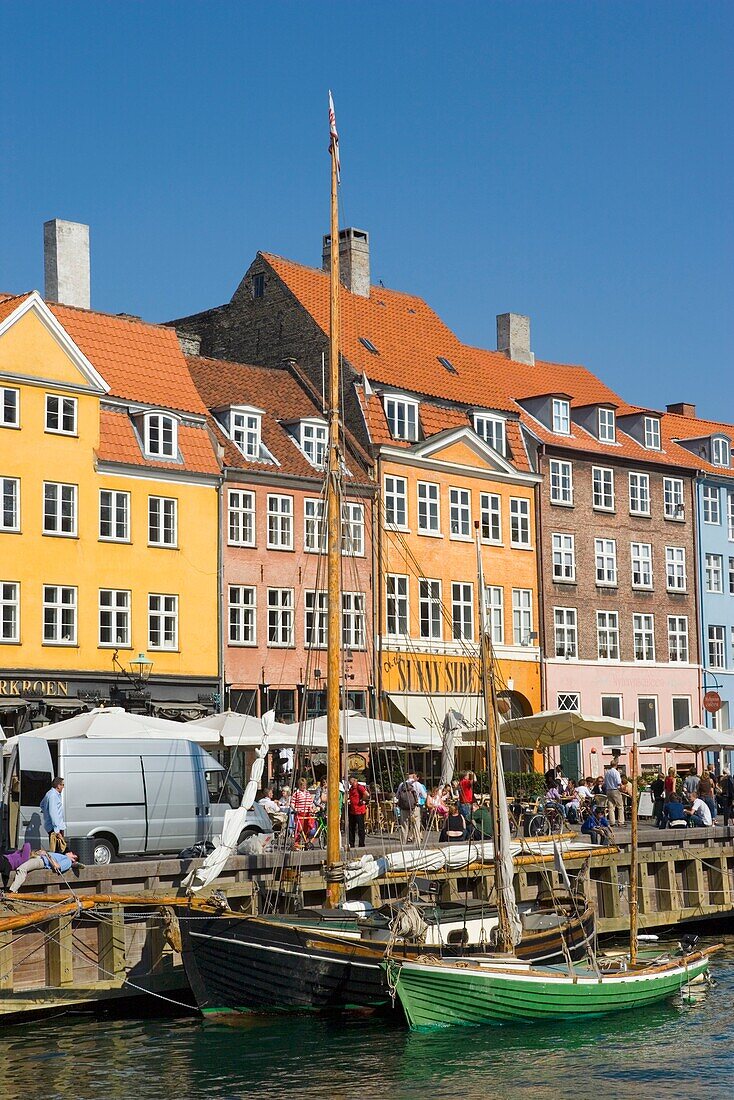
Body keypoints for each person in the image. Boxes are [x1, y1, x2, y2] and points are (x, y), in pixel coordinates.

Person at [9, 848, 79, 892]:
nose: (70, 852)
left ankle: (13, 891)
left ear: (74, 859)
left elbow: (57, 866)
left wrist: (46, 854)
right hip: (38, 857)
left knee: (22, 869)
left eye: (72, 853)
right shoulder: (64, 857)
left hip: (42, 861)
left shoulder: (68, 861)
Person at [40, 777, 66, 852]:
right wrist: (56, 830)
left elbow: (41, 805)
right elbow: (53, 813)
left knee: (58, 849)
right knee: (58, 850)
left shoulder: (49, 793)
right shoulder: (53, 796)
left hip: (54, 826)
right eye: (62, 785)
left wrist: (45, 811)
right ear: (58, 785)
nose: (63, 787)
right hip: (55, 828)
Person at [290, 778, 316, 848]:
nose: (304, 786)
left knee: (308, 828)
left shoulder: (307, 793)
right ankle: (296, 843)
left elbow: (310, 802)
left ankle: (306, 842)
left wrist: (312, 808)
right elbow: (292, 803)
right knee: (299, 829)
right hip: (300, 813)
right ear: (299, 785)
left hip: (307, 813)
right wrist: (295, 809)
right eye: (302, 785)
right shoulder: (296, 793)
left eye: (305, 785)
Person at [395, 774, 420, 845]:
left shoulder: (401, 785)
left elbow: (397, 796)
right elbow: (424, 795)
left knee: (404, 826)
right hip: (414, 808)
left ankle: (403, 843)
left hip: (404, 808)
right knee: (416, 826)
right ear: (414, 777)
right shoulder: (417, 785)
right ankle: (417, 843)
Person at [347, 775, 370, 848]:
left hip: (359, 811)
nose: (349, 782)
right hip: (352, 811)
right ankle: (351, 843)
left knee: (360, 828)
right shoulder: (351, 789)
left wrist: (362, 800)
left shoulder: (359, 787)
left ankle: (361, 844)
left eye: (350, 780)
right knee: (351, 828)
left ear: (354, 780)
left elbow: (366, 794)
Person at [603, 761, 624, 826]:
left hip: (608, 790)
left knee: (610, 807)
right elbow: (618, 782)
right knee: (620, 806)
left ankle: (612, 822)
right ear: (616, 765)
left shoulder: (607, 772)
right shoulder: (616, 772)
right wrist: (621, 787)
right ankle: (621, 821)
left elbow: (605, 783)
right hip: (615, 789)